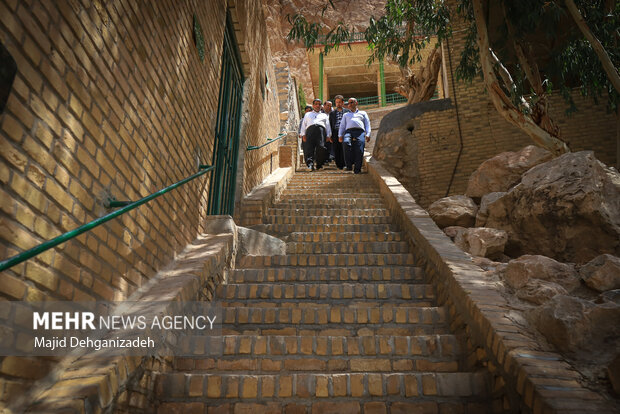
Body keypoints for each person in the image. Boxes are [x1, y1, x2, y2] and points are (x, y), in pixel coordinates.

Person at [338, 97, 371, 174]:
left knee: (359, 149)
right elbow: (342, 126)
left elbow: (367, 124)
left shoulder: (363, 113)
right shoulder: (346, 115)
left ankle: (357, 169)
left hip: (360, 132)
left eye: (351, 102)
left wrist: (368, 134)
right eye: (348, 103)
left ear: (356, 103)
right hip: (348, 131)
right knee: (346, 143)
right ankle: (349, 165)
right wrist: (340, 135)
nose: (350, 104)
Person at [300, 98, 332, 170]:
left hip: (320, 132)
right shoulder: (308, 114)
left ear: (321, 106)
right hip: (310, 131)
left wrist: (328, 135)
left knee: (321, 147)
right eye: (316, 104)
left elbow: (328, 126)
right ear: (313, 105)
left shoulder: (324, 115)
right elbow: (304, 124)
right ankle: (310, 165)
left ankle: (319, 164)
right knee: (309, 148)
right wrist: (303, 134)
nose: (318, 106)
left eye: (319, 104)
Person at [328, 95, 349, 169]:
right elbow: (330, 124)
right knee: (336, 148)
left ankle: (345, 164)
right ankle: (339, 165)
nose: (338, 104)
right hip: (335, 132)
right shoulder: (332, 113)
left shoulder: (347, 112)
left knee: (344, 148)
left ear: (343, 102)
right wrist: (329, 135)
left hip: (345, 132)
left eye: (339, 102)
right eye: (337, 102)